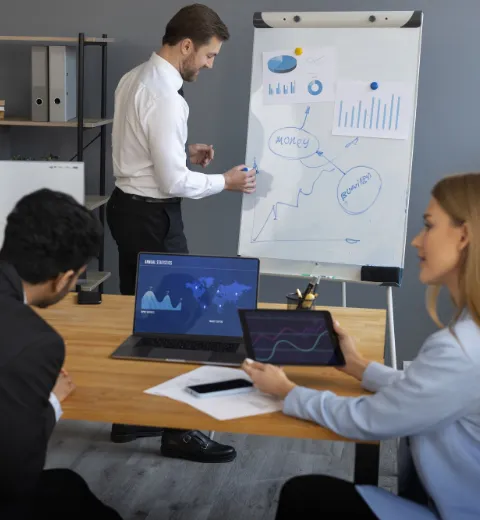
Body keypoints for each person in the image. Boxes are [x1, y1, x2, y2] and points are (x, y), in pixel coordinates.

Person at [243, 172, 480, 519]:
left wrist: (287, 390)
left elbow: (367, 420)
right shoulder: (468, 337)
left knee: (304, 496)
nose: (417, 241)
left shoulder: (459, 350)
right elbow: (427, 392)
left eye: (429, 226)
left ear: (463, 236)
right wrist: (356, 365)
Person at [106, 3, 254, 461]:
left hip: (128, 210)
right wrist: (225, 182)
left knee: (144, 322)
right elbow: (171, 182)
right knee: (179, 324)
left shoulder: (134, 78)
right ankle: (178, 433)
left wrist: (182, 151)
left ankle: (130, 416)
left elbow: (139, 147)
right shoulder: (167, 97)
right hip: (154, 219)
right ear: (187, 46)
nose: (209, 65)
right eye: (209, 55)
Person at [0, 189, 122, 519]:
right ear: (64, 279)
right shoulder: (37, 343)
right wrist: (52, 401)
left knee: (68, 486)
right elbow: (15, 472)